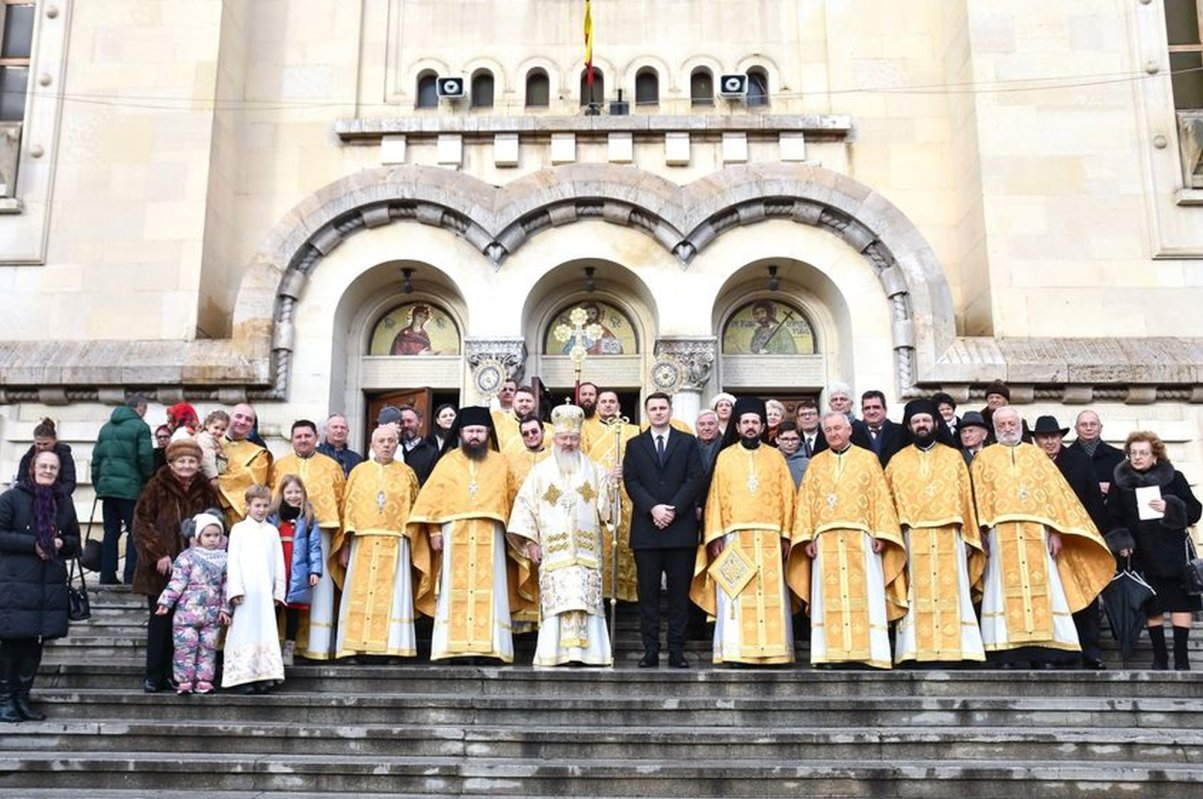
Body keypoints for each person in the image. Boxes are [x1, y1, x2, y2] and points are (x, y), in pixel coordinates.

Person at [970, 407, 1113, 668]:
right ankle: (1005, 652)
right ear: (994, 427)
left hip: (1038, 532)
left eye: (1012, 422)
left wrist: (1057, 532)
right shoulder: (984, 458)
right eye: (1002, 424)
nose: (1008, 427)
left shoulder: (1037, 456)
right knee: (1001, 589)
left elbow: (1056, 497)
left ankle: (1047, 651)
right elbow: (977, 498)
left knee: (1044, 590)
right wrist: (980, 531)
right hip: (1000, 534)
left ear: (1020, 425)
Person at [790, 411, 906, 669]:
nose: (833, 433)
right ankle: (830, 654)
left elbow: (881, 498)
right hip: (825, 541)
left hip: (862, 540)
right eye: (828, 430)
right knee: (828, 598)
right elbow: (806, 503)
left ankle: (870, 654)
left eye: (837, 428)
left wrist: (882, 533)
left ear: (850, 430)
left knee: (865, 594)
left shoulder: (868, 459)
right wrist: (807, 536)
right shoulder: (816, 463)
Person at [408, 407, 520, 663]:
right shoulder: (447, 462)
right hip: (453, 535)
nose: (474, 436)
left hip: (490, 536)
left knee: (491, 590)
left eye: (480, 431)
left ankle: (492, 648)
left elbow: (513, 500)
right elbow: (431, 500)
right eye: (470, 431)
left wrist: (513, 535)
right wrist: (434, 530)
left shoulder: (501, 462)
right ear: (460, 433)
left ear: (488, 433)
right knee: (452, 591)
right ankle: (453, 648)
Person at [691, 397, 797, 666]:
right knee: (736, 594)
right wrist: (714, 536)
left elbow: (788, 496)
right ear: (737, 426)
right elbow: (714, 497)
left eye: (755, 422)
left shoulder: (775, 457)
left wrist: (786, 535)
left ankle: (775, 651)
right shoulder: (725, 457)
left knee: (771, 595)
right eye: (746, 422)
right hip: (734, 539)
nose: (750, 427)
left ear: (763, 426)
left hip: (771, 540)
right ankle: (736, 651)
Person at [508, 404, 613, 667]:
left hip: (587, 553)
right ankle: (554, 654)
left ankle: (590, 654)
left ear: (579, 440)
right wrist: (531, 542)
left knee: (586, 602)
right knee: (558, 603)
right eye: (564, 438)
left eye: (573, 438)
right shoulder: (540, 473)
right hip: (554, 552)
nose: (568, 443)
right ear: (554, 439)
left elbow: (607, 514)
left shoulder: (596, 470)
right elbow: (525, 507)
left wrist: (612, 488)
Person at [883, 399, 985, 666]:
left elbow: (966, 500)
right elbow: (888, 504)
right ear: (909, 426)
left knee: (954, 591)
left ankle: (960, 650)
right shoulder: (897, 461)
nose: (921, 425)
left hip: (950, 536)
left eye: (926, 420)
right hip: (912, 537)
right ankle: (915, 650)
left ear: (935, 424)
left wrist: (970, 537)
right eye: (916, 421)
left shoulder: (953, 458)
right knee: (915, 594)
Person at [622, 392, 706, 669]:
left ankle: (677, 650)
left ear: (670, 411)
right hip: (647, 531)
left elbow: (695, 477)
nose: (658, 412)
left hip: (679, 529)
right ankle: (650, 650)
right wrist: (653, 509)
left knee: (679, 595)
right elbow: (631, 481)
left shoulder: (687, 442)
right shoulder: (635, 445)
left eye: (662, 408)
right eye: (653, 408)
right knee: (648, 596)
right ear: (647, 413)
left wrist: (672, 509)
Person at [1107, 431, 1202, 670]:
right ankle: (1160, 657)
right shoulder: (1121, 483)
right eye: (1133, 453)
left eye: (1143, 453)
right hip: (1141, 553)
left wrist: (1171, 507)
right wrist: (1122, 541)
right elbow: (1114, 517)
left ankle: (1181, 659)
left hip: (1174, 553)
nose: (1137, 457)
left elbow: (1194, 510)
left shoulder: (1174, 478)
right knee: (1153, 605)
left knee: (1181, 604)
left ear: (1155, 456)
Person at [132, 438, 221, 693]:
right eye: (181, 461)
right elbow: (141, 522)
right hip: (161, 570)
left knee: (183, 627)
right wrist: (159, 553)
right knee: (160, 622)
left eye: (192, 461)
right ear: (171, 463)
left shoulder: (205, 489)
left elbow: (215, 523)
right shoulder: (156, 485)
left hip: (196, 573)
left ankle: (176, 675)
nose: (186, 465)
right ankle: (153, 674)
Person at [0, 450, 80, 723]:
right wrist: (32, 544)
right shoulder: (11, 498)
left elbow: (74, 541)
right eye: (43, 466)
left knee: (35, 646)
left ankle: (22, 698)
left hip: (48, 587)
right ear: (33, 468)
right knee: (12, 645)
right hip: (16, 585)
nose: (48, 470)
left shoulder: (64, 501)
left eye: (53, 467)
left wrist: (60, 543)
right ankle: (5, 700)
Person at [332, 426, 420, 659]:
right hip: (362, 542)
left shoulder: (407, 473)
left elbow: (415, 508)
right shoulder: (359, 472)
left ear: (397, 443)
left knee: (393, 594)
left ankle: (393, 648)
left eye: (391, 440)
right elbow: (347, 509)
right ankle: (354, 647)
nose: (386, 445)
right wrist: (346, 545)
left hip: (396, 542)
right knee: (358, 593)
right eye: (381, 441)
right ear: (372, 445)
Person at [1032, 414, 1109, 669]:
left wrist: (1097, 537)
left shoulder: (1079, 460)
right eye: (1044, 437)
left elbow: (1093, 502)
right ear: (1036, 440)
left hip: (1076, 539)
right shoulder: (1029, 463)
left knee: (1083, 594)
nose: (1050, 441)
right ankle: (1056, 653)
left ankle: (1091, 650)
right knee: (1052, 597)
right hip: (1041, 541)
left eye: (1054, 436)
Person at [269, 419, 345, 662]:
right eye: (298, 436)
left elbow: (341, 502)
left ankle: (316, 646)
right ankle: (277, 646)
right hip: (282, 538)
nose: (303, 440)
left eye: (307, 436)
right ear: (292, 439)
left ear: (316, 438)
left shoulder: (331, 466)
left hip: (318, 532)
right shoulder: (279, 465)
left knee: (317, 590)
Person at [153, 512, 230, 695]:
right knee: (185, 649)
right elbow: (177, 581)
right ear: (197, 537)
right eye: (208, 535)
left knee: (208, 649)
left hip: (211, 615)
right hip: (187, 614)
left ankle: (204, 680)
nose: (212, 539)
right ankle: (185, 681)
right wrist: (166, 602)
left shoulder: (225, 559)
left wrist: (226, 608)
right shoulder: (187, 557)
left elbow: (228, 586)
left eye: (216, 535)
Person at [222, 485, 286, 694]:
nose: (261, 510)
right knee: (244, 631)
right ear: (248, 506)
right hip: (246, 592)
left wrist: (278, 592)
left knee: (265, 631)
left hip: (265, 592)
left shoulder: (272, 531)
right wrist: (235, 590)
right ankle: (242, 676)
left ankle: (264, 674)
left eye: (265, 506)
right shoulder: (239, 530)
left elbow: (279, 563)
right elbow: (233, 562)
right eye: (257, 505)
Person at [582, 389, 640, 602]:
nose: (607, 405)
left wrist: (626, 471)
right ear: (596, 406)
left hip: (627, 493)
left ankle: (626, 593)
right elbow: (581, 461)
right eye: (603, 401)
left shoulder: (632, 430)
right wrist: (604, 474)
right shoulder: (585, 429)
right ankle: (601, 593)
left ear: (618, 406)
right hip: (598, 494)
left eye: (611, 401)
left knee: (626, 540)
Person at [91, 394, 154, 585]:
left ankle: (107, 575)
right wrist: (147, 479)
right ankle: (130, 576)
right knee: (134, 531)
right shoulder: (141, 427)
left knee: (110, 532)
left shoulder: (106, 428)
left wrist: (99, 484)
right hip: (130, 489)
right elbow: (145, 457)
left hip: (107, 489)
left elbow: (96, 460)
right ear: (140, 407)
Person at [268, 475, 323, 667]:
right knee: (273, 608)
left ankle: (289, 648)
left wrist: (314, 570)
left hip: (297, 567)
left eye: (297, 492)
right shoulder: (272, 515)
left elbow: (315, 546)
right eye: (289, 492)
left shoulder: (307, 517)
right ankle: (271, 648)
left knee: (293, 610)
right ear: (282, 493)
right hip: (277, 566)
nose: (293, 496)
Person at [217, 403, 272, 526]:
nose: (242, 421)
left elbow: (253, 483)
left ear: (253, 425)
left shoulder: (259, 453)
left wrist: (215, 481)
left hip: (237, 516)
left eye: (248, 420)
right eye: (238, 416)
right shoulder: (211, 443)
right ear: (229, 418)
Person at [1067, 410, 1126, 497]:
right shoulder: (1065, 456)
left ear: (1100, 428)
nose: (1089, 428)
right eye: (1083, 425)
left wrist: (1112, 488)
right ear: (1076, 429)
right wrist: (1096, 487)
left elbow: (1126, 490)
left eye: (1093, 424)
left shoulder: (1118, 456)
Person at [17, 418, 76, 496]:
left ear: (54, 440)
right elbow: (21, 480)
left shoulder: (64, 456)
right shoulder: (27, 458)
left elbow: (69, 483)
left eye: (45, 444)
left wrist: (51, 495)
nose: (41, 447)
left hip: (58, 500)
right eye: (38, 444)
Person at [859, 390, 905, 468]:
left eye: (876, 407)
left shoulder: (901, 432)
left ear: (885, 409)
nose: (871, 412)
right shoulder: (853, 433)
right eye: (867, 408)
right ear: (862, 411)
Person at [398, 405, 439, 485]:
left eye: (409, 421)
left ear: (420, 423)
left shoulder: (432, 453)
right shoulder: (393, 449)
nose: (406, 425)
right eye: (402, 422)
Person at [505, 415, 551, 486]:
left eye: (534, 431)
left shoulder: (554, 458)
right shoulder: (513, 462)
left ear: (543, 432)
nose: (530, 436)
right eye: (526, 434)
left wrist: (546, 497)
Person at [316, 413, 364, 478]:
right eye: (335, 427)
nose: (339, 431)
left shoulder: (356, 459)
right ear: (326, 430)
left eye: (343, 427)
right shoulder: (315, 454)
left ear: (348, 431)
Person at [195, 410, 229, 486]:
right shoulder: (205, 438)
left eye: (223, 429)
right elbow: (207, 459)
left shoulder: (214, 440)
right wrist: (213, 477)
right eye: (216, 428)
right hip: (204, 475)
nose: (219, 432)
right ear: (207, 425)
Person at [776, 421, 809, 488]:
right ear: (777, 440)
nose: (790, 443)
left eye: (794, 439)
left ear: (799, 440)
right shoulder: (770, 461)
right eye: (785, 439)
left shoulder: (808, 464)